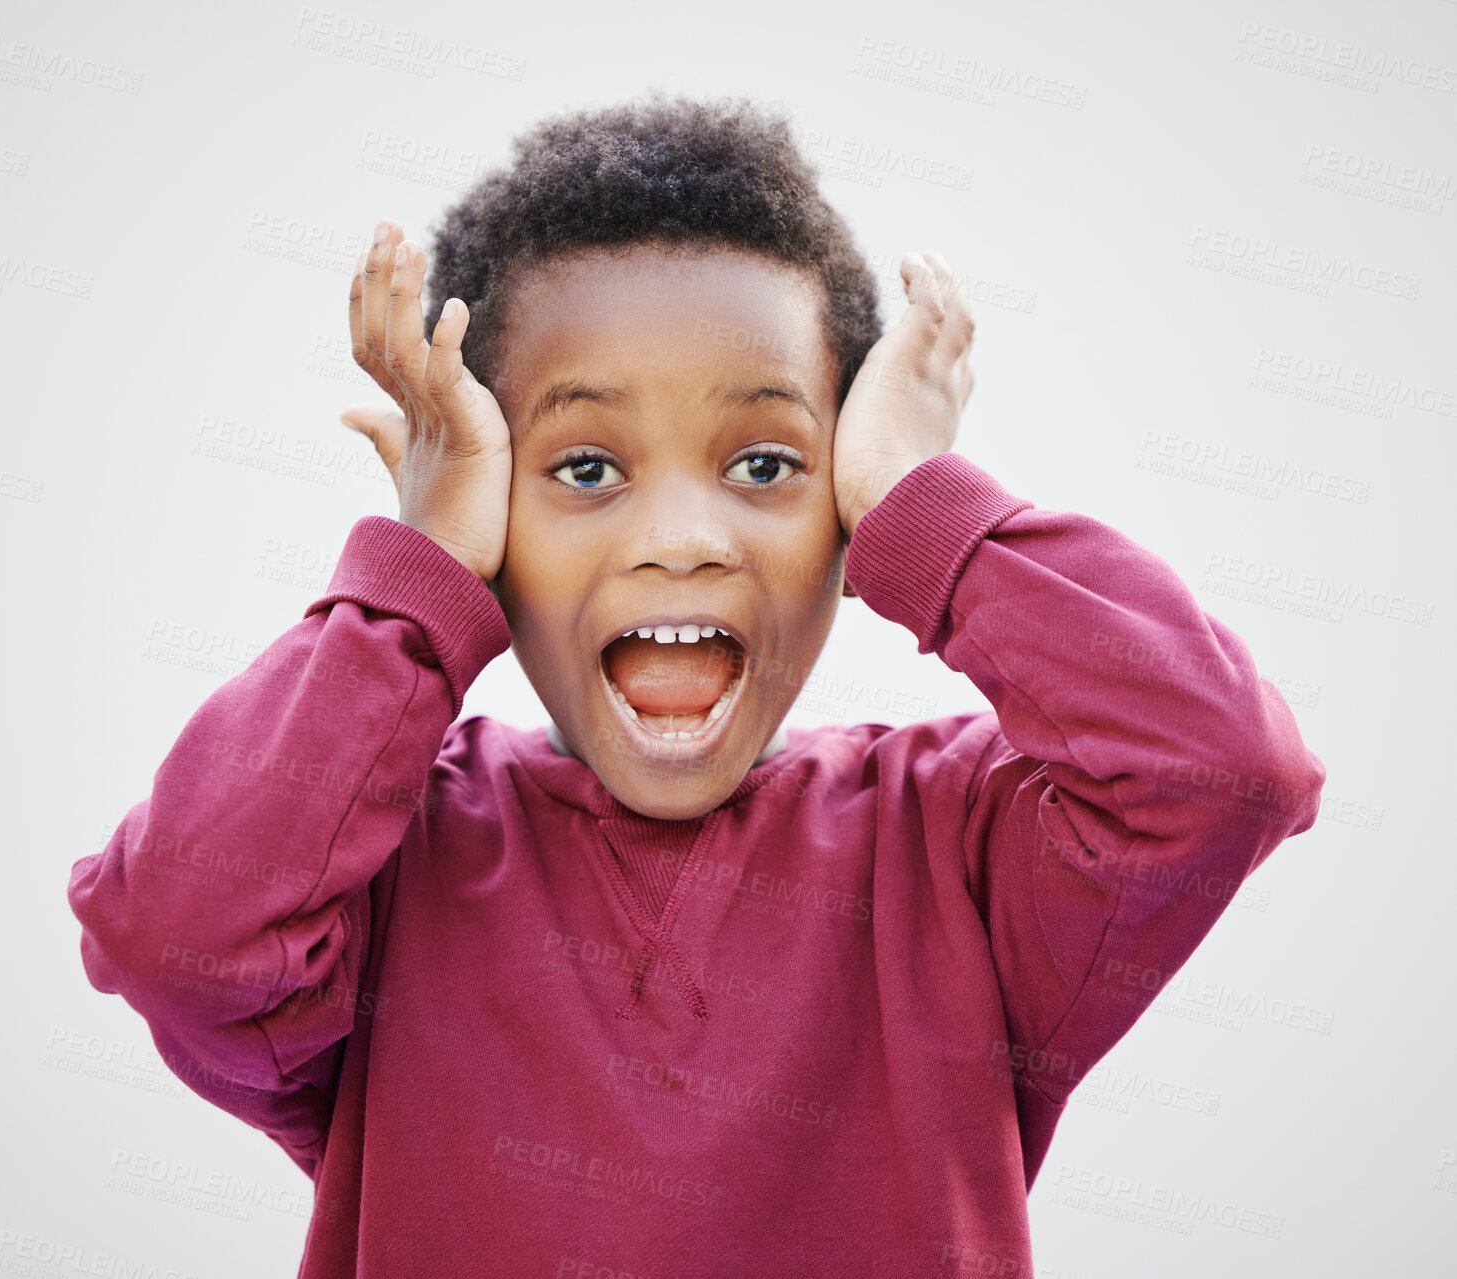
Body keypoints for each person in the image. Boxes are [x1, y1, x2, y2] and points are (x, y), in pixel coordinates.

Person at [66, 94, 1325, 1277]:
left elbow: (1222, 771)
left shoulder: (960, 849)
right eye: (587, 467)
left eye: (770, 461)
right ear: (489, 506)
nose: (683, 535)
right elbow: (177, 932)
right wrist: (418, 575)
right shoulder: (376, 861)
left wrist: (922, 508)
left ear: (844, 518)